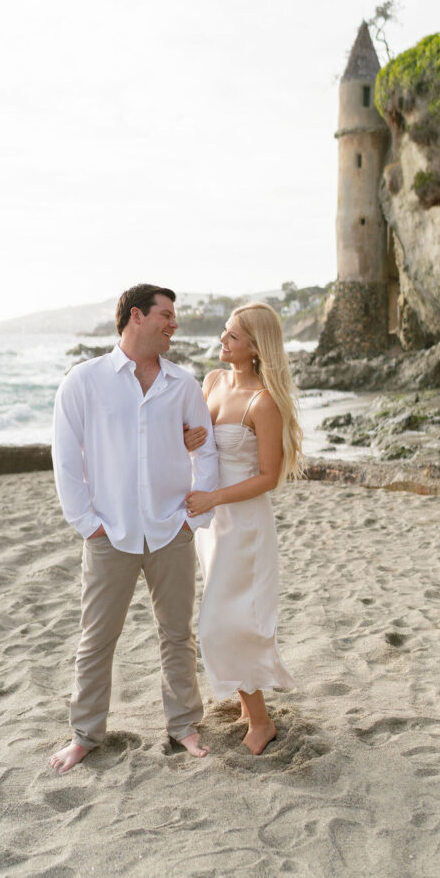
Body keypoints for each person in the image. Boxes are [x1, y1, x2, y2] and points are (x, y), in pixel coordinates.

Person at [50, 284, 219, 773]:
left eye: (175, 316)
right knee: (97, 637)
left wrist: (194, 514)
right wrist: (88, 523)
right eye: (166, 315)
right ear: (136, 317)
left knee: (177, 635)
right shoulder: (83, 382)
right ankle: (85, 734)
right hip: (110, 533)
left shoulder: (183, 385)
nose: (174, 323)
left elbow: (204, 450)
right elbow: (66, 459)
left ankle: (184, 725)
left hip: (171, 529)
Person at [184, 301, 303, 755]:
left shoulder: (264, 402)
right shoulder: (212, 382)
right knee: (226, 614)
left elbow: (269, 477)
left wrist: (214, 498)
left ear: (255, 348)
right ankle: (245, 701)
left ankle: (261, 720)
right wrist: (187, 440)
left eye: (232, 336)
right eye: (224, 332)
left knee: (221, 622)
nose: (222, 340)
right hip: (212, 528)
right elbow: (196, 443)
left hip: (245, 527)